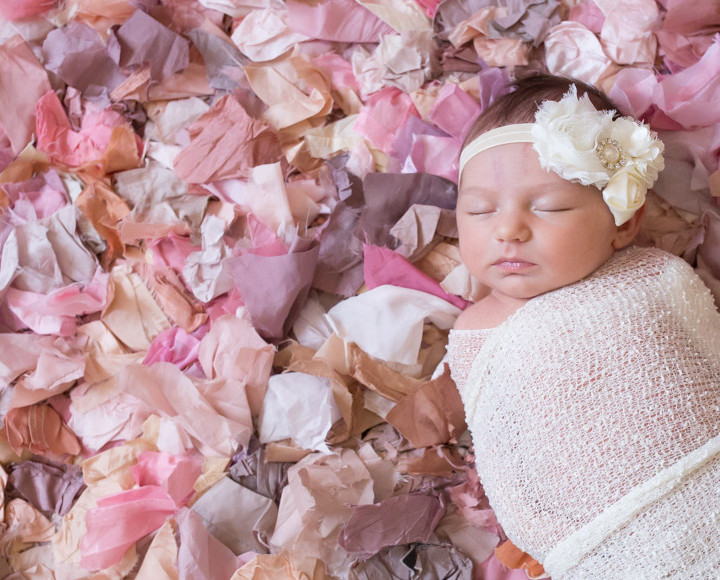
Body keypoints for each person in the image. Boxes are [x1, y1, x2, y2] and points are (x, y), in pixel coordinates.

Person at [447, 73, 720, 579]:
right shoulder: (474, 330)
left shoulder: (653, 279)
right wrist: (540, 527)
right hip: (597, 541)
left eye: (550, 206)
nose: (508, 230)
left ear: (622, 222)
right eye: (479, 210)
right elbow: (500, 438)